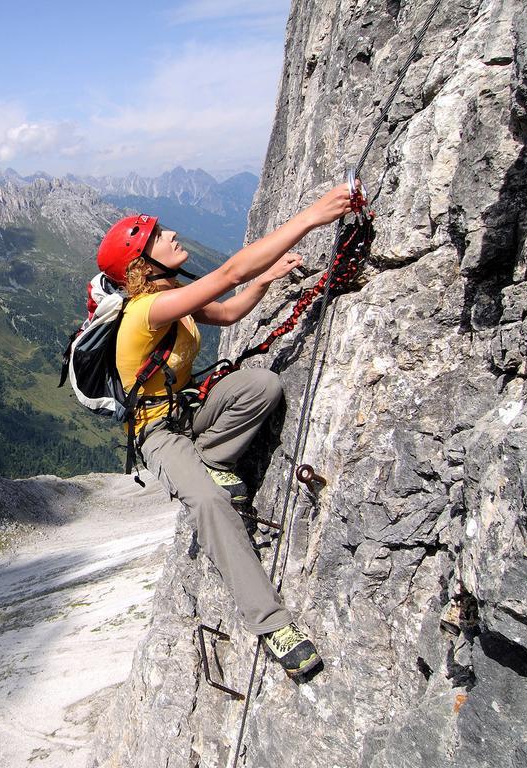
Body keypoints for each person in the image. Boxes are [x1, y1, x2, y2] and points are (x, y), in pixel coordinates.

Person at [95, 184, 353, 678]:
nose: (170, 233)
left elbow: (229, 309)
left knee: (262, 386)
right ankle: (272, 624)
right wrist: (311, 216)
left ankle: (214, 460)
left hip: (189, 409)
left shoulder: (167, 294)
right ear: (143, 262)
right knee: (211, 504)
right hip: (159, 435)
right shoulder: (146, 311)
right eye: (156, 235)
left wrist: (268, 280)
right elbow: (230, 271)